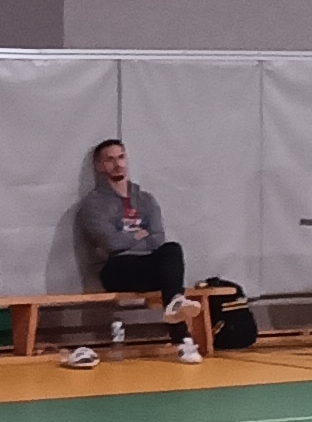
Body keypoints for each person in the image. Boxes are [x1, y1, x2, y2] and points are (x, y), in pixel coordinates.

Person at [65, 139, 208, 368]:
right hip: (117, 268)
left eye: (121, 157)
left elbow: (158, 239)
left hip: (149, 265)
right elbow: (111, 243)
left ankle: (179, 320)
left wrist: (129, 239)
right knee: (167, 280)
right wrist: (139, 236)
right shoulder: (93, 204)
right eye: (110, 160)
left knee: (172, 250)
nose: (117, 164)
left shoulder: (146, 199)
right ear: (99, 166)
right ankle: (183, 338)